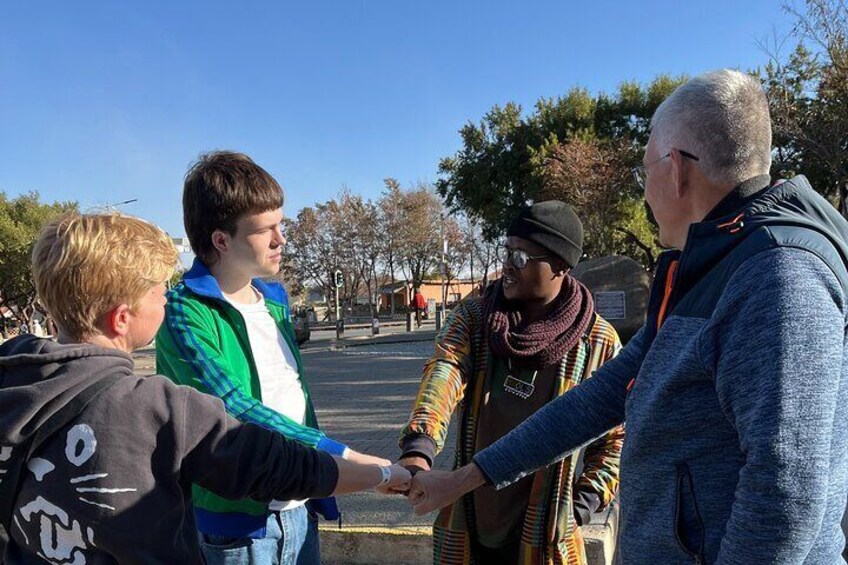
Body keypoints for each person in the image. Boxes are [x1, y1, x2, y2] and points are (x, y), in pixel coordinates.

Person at [407, 69, 848, 564]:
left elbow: (784, 493)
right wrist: (466, 477)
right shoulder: (709, 265)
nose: (644, 194)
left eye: (644, 173)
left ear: (677, 169)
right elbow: (595, 400)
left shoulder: (777, 274)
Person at [0, 212, 411, 564]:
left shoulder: (10, 381)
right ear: (122, 319)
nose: (168, 298)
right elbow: (277, 466)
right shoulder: (156, 409)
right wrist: (381, 472)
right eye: (159, 291)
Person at [155, 151, 389, 565]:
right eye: (266, 230)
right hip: (236, 527)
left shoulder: (275, 300)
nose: (282, 239)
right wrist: (343, 456)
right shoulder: (183, 311)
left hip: (299, 506)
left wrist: (323, 474)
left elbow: (294, 396)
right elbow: (236, 406)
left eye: (281, 225)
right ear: (221, 240)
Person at [396, 201, 624, 564]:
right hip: (469, 524)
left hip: (548, 537)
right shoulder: (476, 318)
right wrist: (418, 448)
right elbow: (445, 370)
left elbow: (615, 441)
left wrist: (581, 506)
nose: (507, 265)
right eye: (506, 251)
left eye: (521, 257)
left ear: (560, 267)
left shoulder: (599, 342)